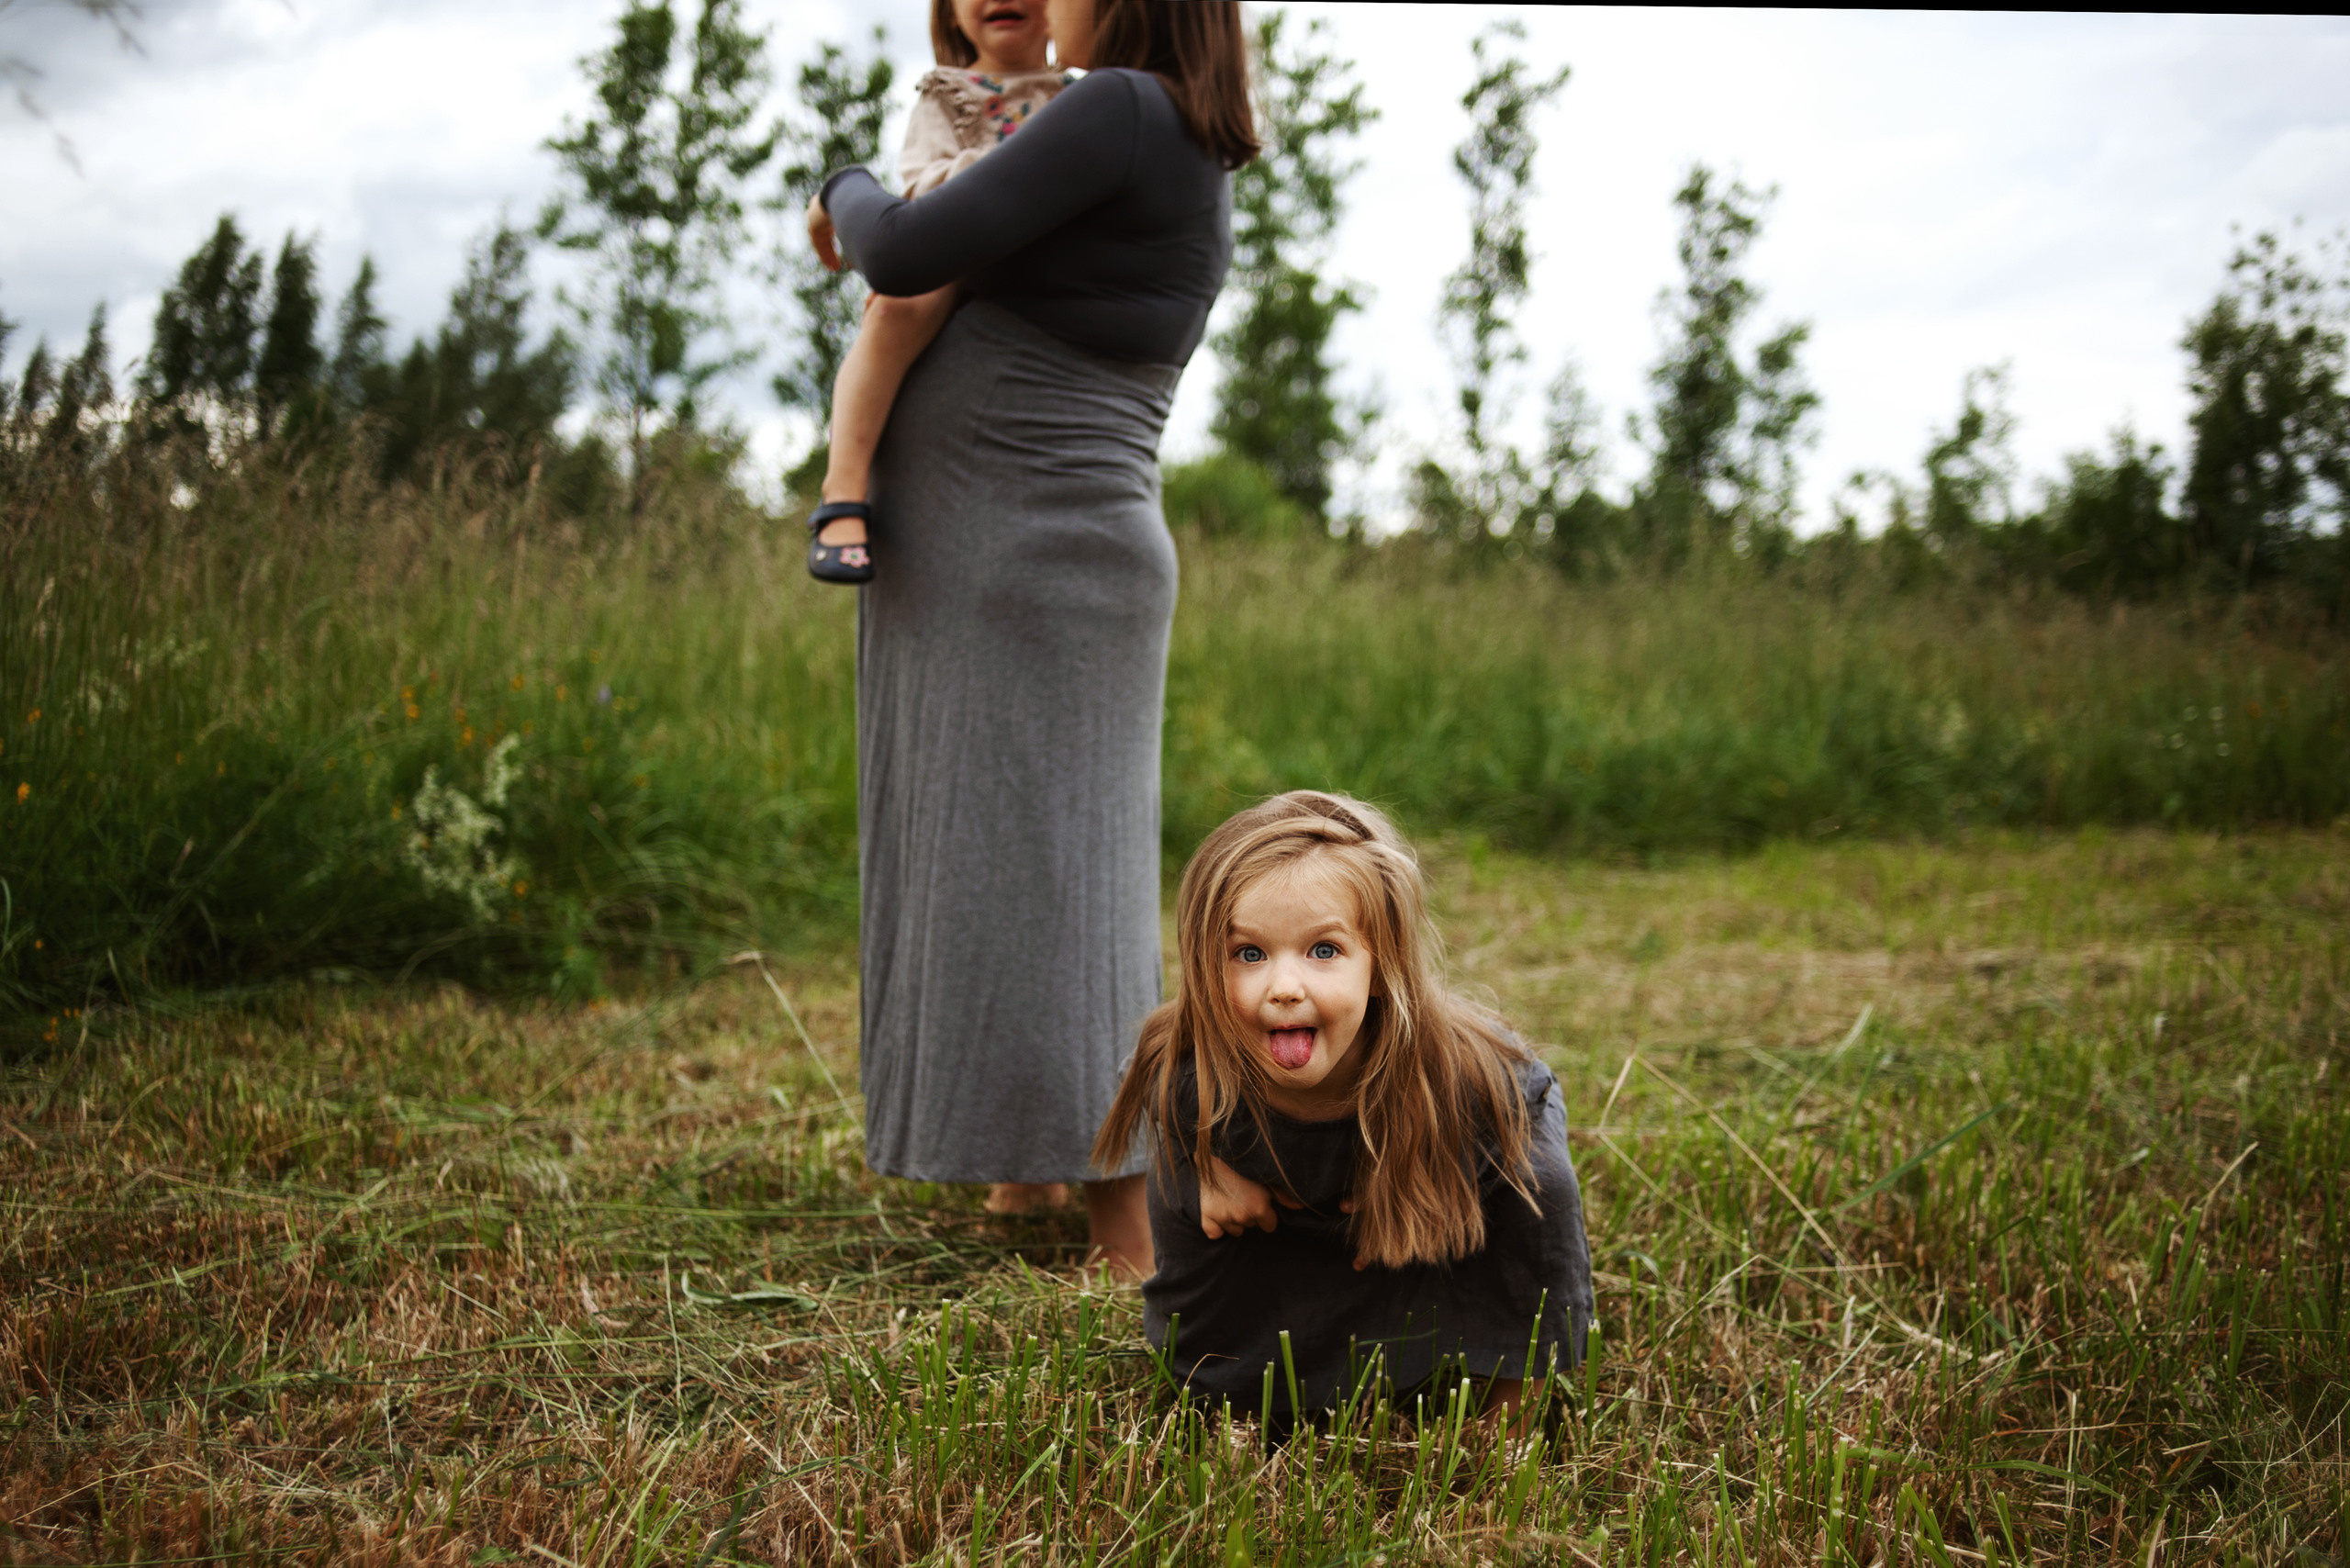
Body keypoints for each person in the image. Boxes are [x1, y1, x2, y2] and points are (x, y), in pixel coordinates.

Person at [806, 0, 1255, 1275]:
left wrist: (838, 182)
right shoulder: (1154, 128)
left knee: (1059, 875)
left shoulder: (1117, 109)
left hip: (1026, 552)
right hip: (997, 552)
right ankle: (1026, 1164)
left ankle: (1127, 1211)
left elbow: (894, 249)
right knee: (996, 851)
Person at [1091, 791, 1595, 1427]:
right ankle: (1228, 1394)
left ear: (1381, 965)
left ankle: (1508, 1416)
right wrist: (1205, 1167)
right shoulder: (1197, 1062)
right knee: (1187, 1209)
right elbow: (1156, 1092)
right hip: (1295, 1221)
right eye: (1249, 954)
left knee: (1541, 1190)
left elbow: (1531, 1165)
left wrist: (1428, 1183)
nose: (1283, 987)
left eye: (1323, 951)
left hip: (1441, 1196)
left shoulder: (1467, 1082)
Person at [803, 0, 1076, 585]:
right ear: (950, 12)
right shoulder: (948, 94)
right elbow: (921, 187)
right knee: (897, 308)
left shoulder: (1082, 99)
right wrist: (1014, 168)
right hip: (957, 252)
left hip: (1043, 270)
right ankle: (842, 493)